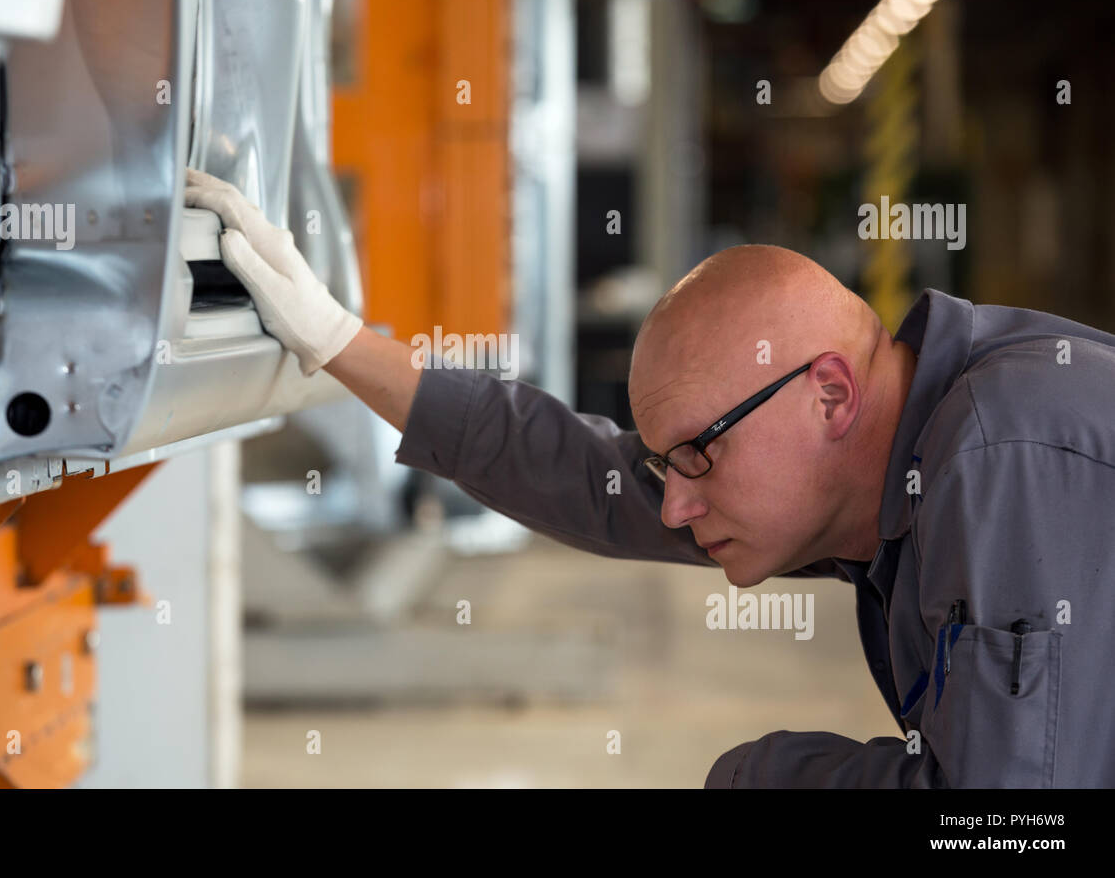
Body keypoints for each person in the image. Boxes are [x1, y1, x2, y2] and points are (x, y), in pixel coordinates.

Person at [185, 167, 1115, 787]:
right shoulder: (889, 458)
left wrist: (764, 778)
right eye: (668, 463)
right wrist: (339, 344)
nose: (673, 501)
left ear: (830, 395)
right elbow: (591, 475)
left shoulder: (1005, 455)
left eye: (699, 456)